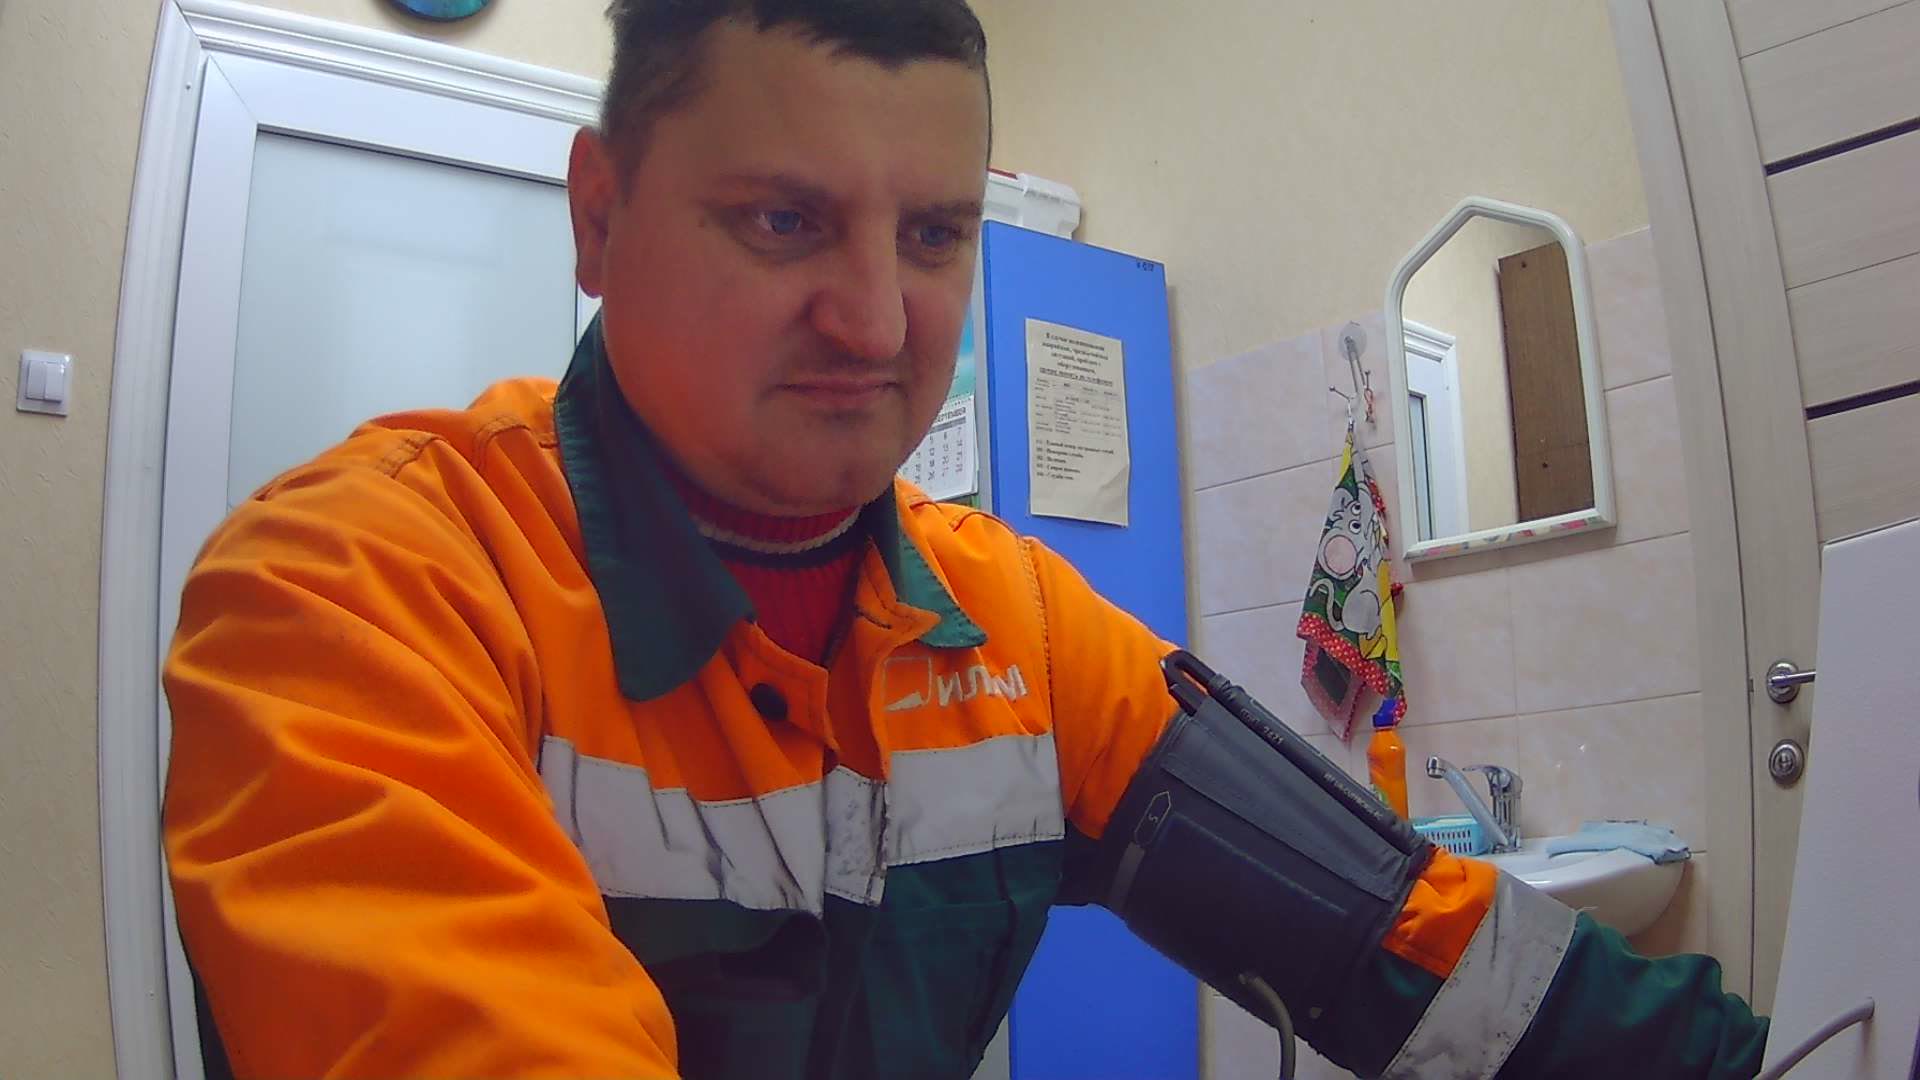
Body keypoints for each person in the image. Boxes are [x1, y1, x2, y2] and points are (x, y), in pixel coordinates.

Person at [162, 2, 1768, 1077]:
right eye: (784, 220)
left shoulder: (1016, 625)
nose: (878, 323)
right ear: (598, 217)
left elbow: (1408, 943)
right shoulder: (352, 589)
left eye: (933, 233)